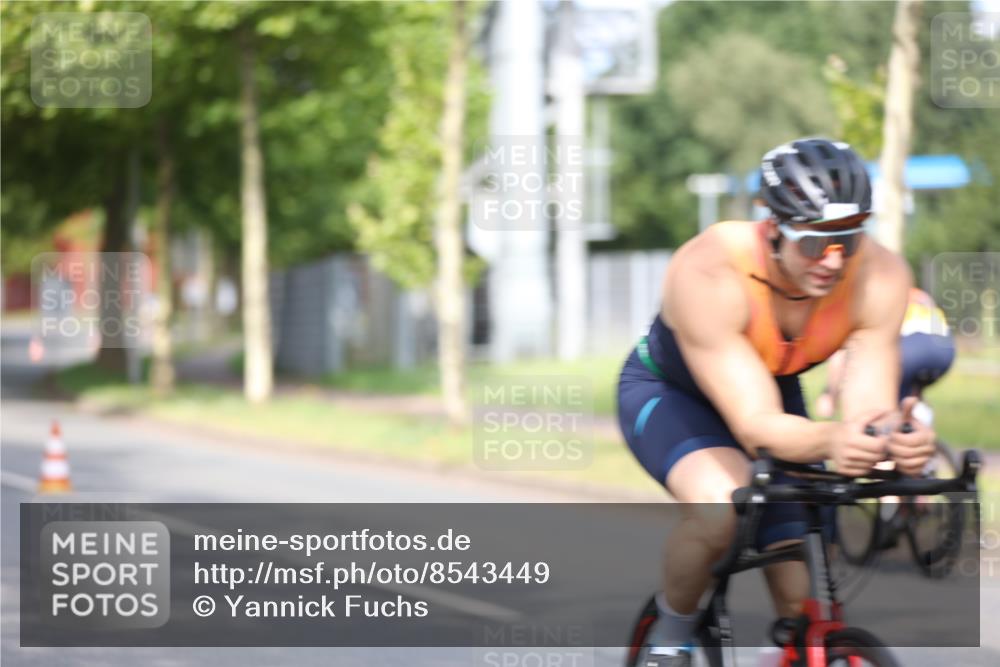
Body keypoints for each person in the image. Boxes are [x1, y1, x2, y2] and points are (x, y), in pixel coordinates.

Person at [615, 138, 936, 666]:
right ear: (771, 228)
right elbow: (756, 425)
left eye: (848, 241)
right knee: (721, 510)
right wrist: (833, 438)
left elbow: (868, 408)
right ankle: (670, 636)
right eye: (813, 244)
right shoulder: (708, 272)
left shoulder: (880, 276)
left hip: (771, 390)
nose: (832, 262)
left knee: (800, 590)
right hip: (672, 394)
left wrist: (894, 441)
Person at [815, 287, 956, 426]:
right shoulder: (917, 294)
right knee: (910, 395)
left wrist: (829, 394)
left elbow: (841, 356)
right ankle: (919, 425)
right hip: (946, 349)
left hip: (912, 346)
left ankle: (860, 435)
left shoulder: (871, 297)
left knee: (881, 406)